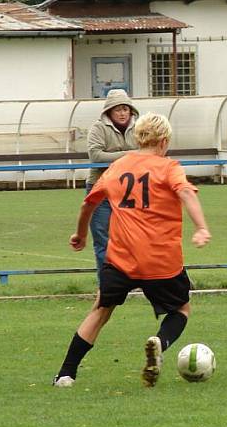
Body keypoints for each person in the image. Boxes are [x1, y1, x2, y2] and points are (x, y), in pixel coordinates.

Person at [53, 112, 211, 388]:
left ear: (138, 138)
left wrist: (80, 234)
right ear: (163, 141)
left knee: (101, 310)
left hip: (121, 259)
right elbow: (186, 193)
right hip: (161, 260)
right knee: (181, 309)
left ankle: (66, 374)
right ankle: (159, 344)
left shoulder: (117, 166)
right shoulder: (168, 166)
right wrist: (201, 227)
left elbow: (88, 204)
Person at [86, 89, 139, 280]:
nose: (123, 113)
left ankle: (137, 280)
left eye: (126, 108)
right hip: (100, 189)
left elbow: (149, 151)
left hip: (131, 189)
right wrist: (130, 155)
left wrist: (119, 156)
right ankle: (106, 285)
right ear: (109, 111)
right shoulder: (98, 128)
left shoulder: (140, 127)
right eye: (118, 109)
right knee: (102, 239)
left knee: (134, 237)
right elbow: (96, 156)